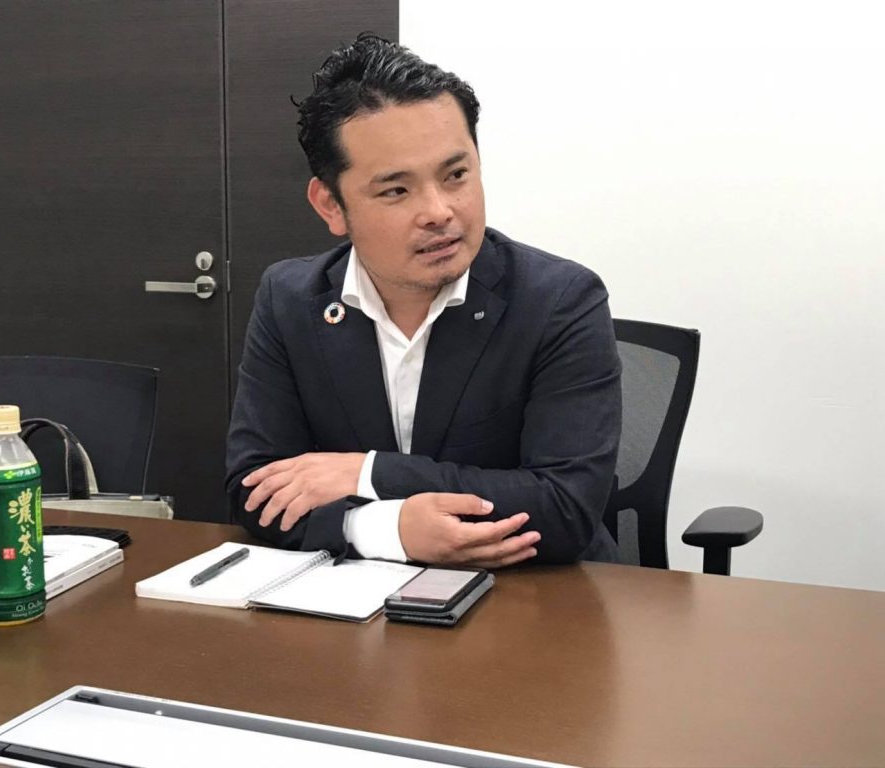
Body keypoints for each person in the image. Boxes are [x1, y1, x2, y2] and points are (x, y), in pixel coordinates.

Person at [226, 34, 622, 568]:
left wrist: (368, 473)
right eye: (396, 190)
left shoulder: (560, 300)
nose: (439, 212)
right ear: (331, 205)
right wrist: (386, 530)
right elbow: (257, 488)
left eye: (456, 175)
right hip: (354, 595)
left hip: (536, 594)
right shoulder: (290, 299)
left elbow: (565, 508)